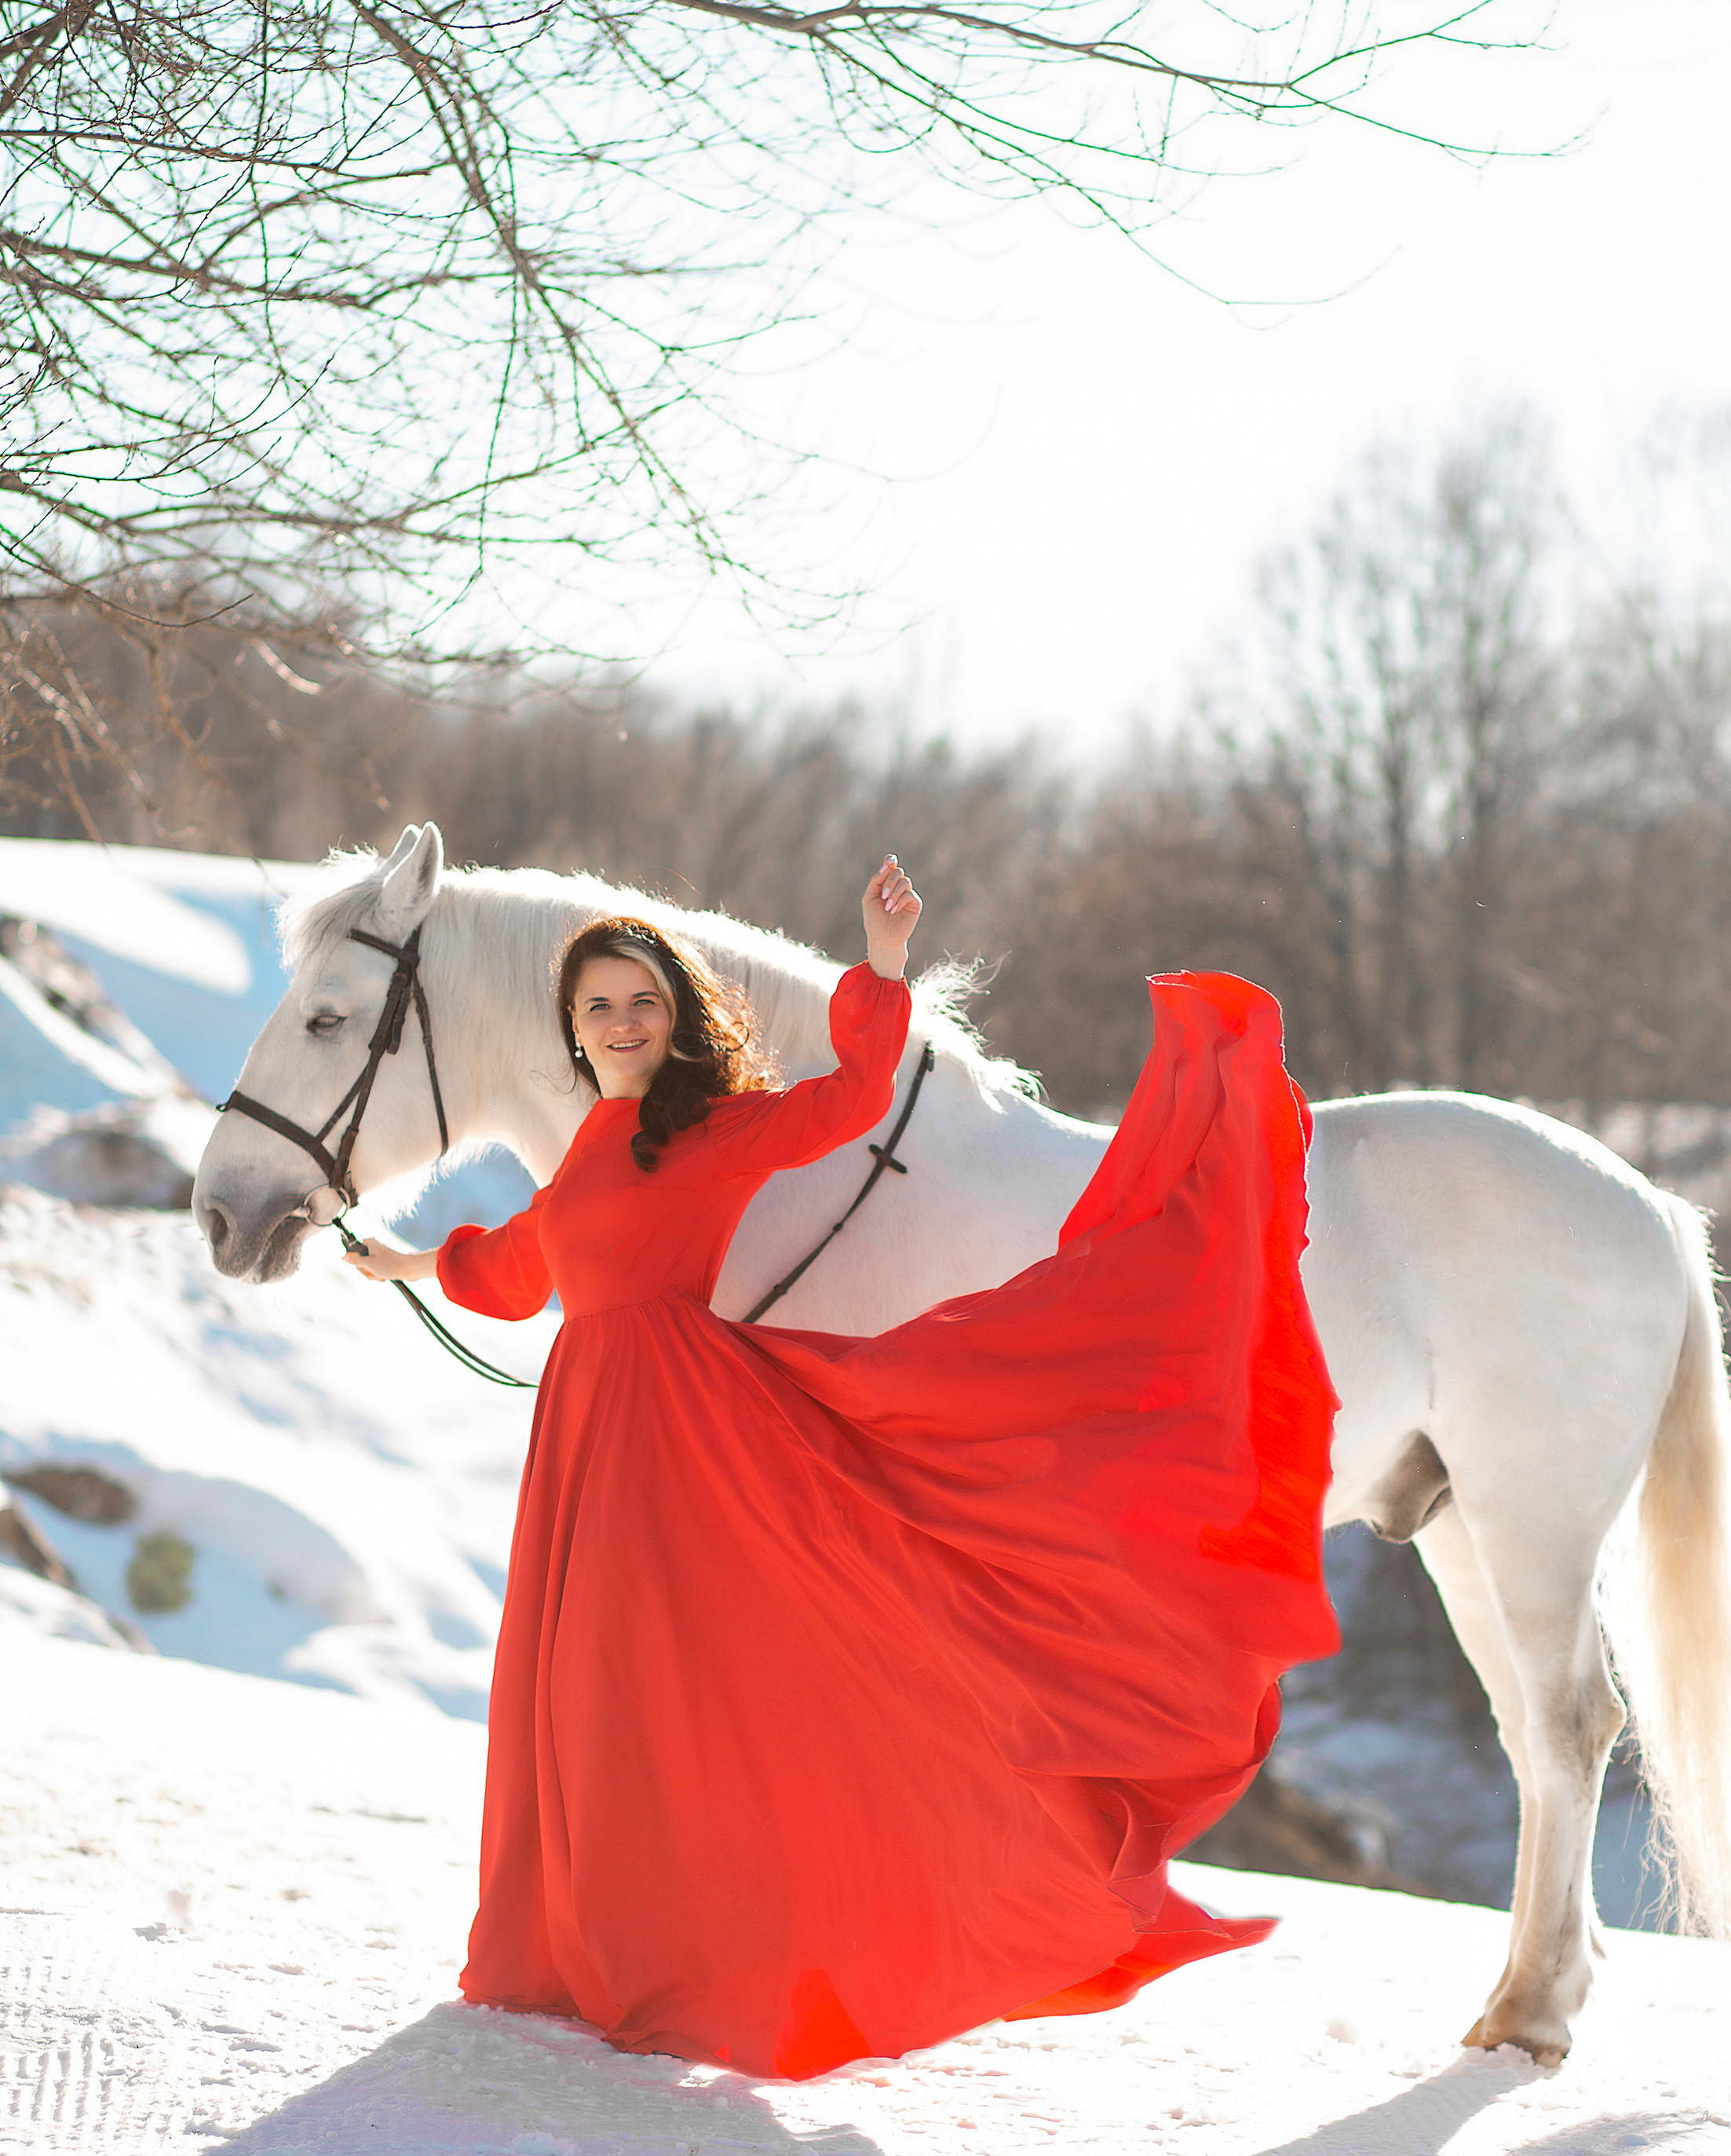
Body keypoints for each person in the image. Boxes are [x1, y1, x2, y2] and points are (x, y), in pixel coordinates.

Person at [344, 857, 1338, 2078]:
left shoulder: (711, 1129)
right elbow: (522, 1265)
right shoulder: (591, 1151)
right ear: (573, 1028)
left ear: (676, 1016)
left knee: (680, 1687)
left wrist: (879, 964)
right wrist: (409, 1266)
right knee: (586, 1691)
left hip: (680, 1432)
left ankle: (706, 1950)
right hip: (588, 1438)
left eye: (641, 1001)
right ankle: (572, 1946)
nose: (621, 1022)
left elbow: (852, 1096)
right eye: (599, 1006)